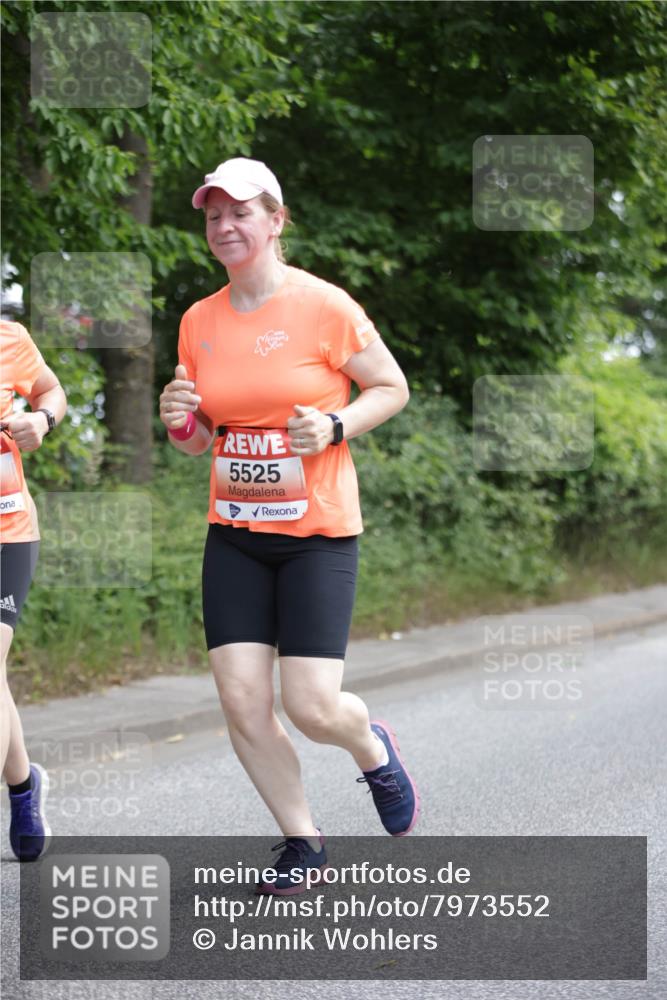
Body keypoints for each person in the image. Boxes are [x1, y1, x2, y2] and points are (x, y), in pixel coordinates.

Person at [159, 158, 421, 894]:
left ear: (275, 220)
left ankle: (370, 747)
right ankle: (302, 840)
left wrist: (335, 425)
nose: (224, 227)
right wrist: (180, 421)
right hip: (236, 532)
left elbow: (390, 386)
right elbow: (200, 436)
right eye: (213, 216)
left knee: (310, 706)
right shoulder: (198, 320)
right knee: (242, 702)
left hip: (318, 534)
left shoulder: (323, 306)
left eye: (240, 212)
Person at [1, 318, 66, 861]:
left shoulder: (9, 338)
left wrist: (41, 419)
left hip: (8, 530)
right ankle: (23, 788)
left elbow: (49, 389)